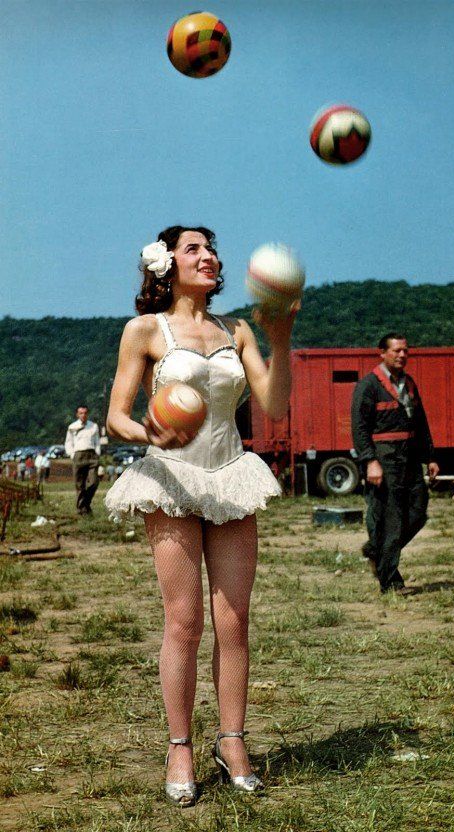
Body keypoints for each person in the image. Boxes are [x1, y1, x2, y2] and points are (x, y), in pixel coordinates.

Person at [105, 226, 296, 806]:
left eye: (212, 249)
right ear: (166, 265)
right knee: (183, 623)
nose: (209, 257)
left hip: (231, 474)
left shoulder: (236, 330)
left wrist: (281, 341)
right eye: (194, 249)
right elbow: (116, 415)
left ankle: (232, 740)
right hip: (171, 477)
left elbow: (276, 405)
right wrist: (148, 431)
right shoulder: (145, 330)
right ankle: (180, 744)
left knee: (234, 621)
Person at [351, 333, 439, 595]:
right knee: (391, 519)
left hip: (410, 459)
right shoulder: (368, 385)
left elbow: (421, 423)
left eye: (405, 351)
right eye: (397, 351)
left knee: (418, 512)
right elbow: (360, 428)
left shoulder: (409, 384)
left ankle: (376, 551)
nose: (402, 355)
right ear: (382, 352)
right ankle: (390, 581)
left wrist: (430, 457)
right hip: (385, 459)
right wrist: (370, 462)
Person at [65, 405, 101, 515]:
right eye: (81, 413)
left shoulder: (93, 426)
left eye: (85, 413)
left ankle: (86, 502)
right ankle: (82, 509)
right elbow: (68, 442)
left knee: (94, 482)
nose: (83, 415)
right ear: (77, 414)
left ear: (87, 414)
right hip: (78, 455)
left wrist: (97, 453)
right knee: (79, 485)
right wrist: (72, 455)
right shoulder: (72, 427)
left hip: (91, 455)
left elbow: (97, 442)